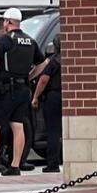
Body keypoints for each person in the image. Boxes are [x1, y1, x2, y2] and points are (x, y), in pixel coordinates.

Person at [0, 7, 47, 177]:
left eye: (5, 21)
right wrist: (29, 76)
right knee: (17, 125)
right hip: (23, 89)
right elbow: (43, 63)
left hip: (5, 89)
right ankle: (15, 165)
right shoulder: (30, 40)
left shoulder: (4, 40)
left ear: (8, 22)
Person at [32, 36, 62, 173]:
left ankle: (53, 164)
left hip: (53, 97)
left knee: (53, 131)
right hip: (68, 97)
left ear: (55, 46)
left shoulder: (53, 61)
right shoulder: (72, 60)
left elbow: (43, 80)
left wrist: (35, 97)